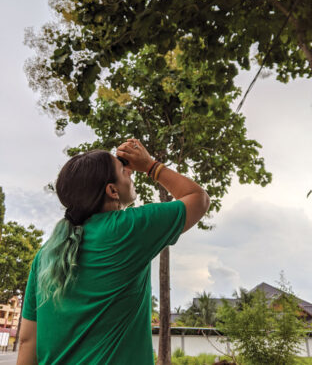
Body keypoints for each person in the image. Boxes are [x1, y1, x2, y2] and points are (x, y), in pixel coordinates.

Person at [17, 138, 210, 364]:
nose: (130, 171)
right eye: (123, 169)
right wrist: (150, 165)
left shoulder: (46, 254)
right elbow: (199, 199)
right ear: (112, 190)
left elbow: (27, 341)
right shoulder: (127, 229)